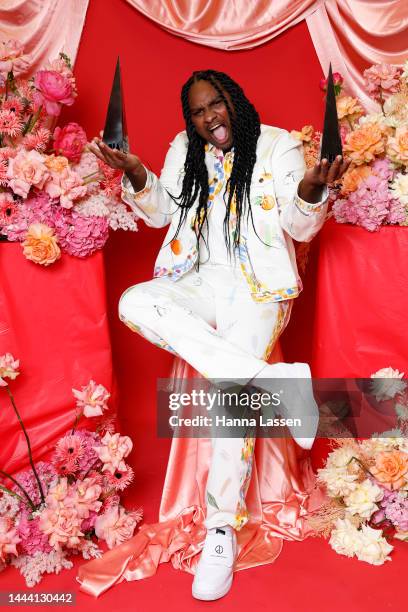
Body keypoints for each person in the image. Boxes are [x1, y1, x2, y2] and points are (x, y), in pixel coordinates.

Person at [89, 69, 349, 602]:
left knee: (232, 398)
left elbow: (301, 228)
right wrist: (137, 171)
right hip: (200, 280)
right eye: (199, 111)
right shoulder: (185, 147)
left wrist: (311, 190)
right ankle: (275, 382)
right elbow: (162, 212)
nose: (210, 118)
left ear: (236, 101)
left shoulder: (278, 147)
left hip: (258, 292)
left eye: (217, 104)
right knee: (135, 301)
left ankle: (219, 531)